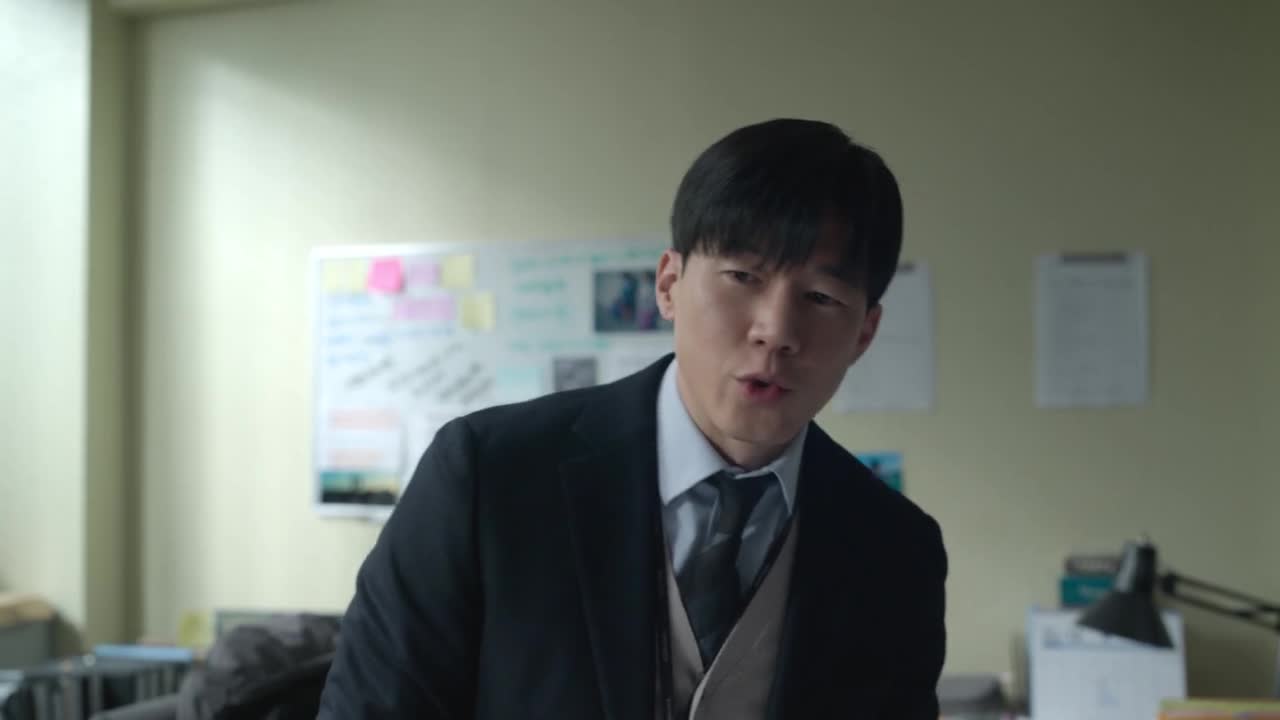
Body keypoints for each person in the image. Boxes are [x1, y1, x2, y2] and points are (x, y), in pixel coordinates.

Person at [318, 118, 947, 719]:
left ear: (864, 334)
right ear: (668, 284)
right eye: (742, 276)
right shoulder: (488, 474)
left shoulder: (897, 552)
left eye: (821, 297)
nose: (775, 330)